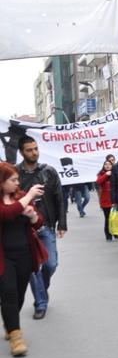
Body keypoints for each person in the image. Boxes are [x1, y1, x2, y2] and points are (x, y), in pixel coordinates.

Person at [17, 135, 67, 320]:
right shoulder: (15, 174)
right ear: (21, 152)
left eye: (35, 148)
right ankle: (40, 303)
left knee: (51, 264)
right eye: (29, 149)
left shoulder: (49, 171)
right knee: (34, 267)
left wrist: (62, 223)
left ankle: (42, 289)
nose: (34, 152)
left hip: (46, 225)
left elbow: (59, 198)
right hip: (23, 228)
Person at [0, 163, 45, 356]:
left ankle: (10, 324)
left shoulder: (20, 196)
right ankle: (16, 338)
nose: (17, 183)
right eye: (13, 180)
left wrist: (33, 216)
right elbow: (7, 214)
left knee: (18, 294)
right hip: (3, 257)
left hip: (25, 253)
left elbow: (39, 221)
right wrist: (29, 197)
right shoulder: (23, 198)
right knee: (8, 294)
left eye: (17, 179)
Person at [95, 160, 114, 241]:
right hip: (105, 201)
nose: (107, 165)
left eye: (109, 164)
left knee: (115, 217)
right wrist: (106, 175)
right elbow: (98, 182)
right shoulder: (101, 174)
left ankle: (116, 232)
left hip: (114, 200)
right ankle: (108, 234)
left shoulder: (115, 173)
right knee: (108, 218)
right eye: (105, 164)